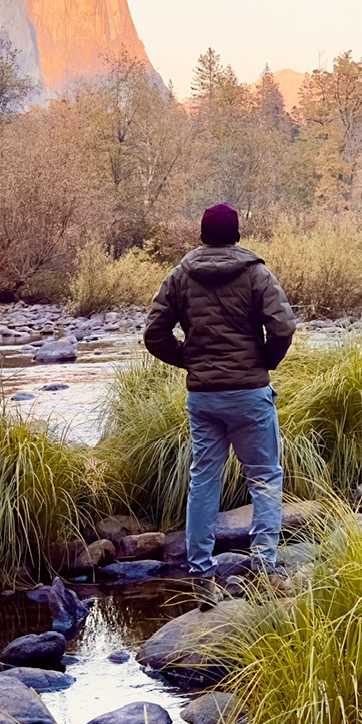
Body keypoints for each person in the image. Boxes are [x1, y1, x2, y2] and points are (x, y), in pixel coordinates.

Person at [143, 202, 298, 606]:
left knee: (203, 480)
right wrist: (266, 361)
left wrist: (188, 358)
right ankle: (264, 566)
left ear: (202, 234)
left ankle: (200, 573)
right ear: (237, 235)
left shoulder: (180, 275)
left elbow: (154, 333)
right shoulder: (255, 273)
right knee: (264, 477)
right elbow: (283, 326)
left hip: (204, 396)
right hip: (250, 392)